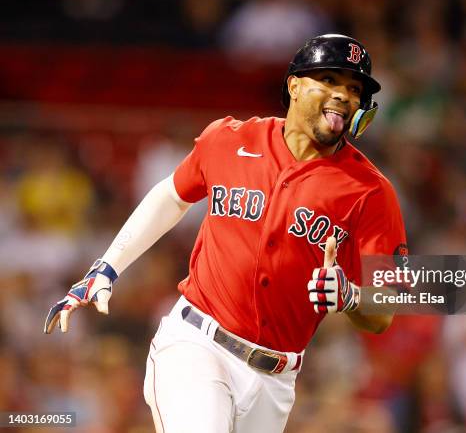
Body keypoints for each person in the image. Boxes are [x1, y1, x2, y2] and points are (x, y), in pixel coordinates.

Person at [44, 34, 407, 433]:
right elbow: (172, 195)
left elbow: (385, 311)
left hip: (276, 381)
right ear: (295, 85)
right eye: (329, 80)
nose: (342, 95)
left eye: (354, 89)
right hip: (198, 346)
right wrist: (108, 266)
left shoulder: (371, 192)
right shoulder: (231, 138)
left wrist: (351, 296)